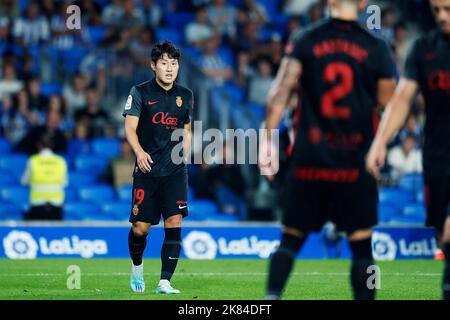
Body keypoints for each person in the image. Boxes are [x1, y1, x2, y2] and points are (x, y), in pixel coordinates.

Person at [260, 0, 396, 300]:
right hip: (356, 160)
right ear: (363, 3)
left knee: (290, 239)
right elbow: (388, 104)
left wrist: (266, 139)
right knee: (362, 246)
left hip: (310, 158)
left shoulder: (305, 39)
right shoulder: (377, 46)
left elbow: (278, 95)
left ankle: (270, 299)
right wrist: (380, 143)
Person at [366, 0, 450, 300]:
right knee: (443, 234)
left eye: (448, 10)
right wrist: (380, 141)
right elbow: (401, 100)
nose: (441, 17)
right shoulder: (423, 50)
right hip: (438, 152)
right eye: (437, 10)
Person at [123, 40, 193, 294]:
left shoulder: (185, 95)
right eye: (164, 63)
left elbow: (186, 128)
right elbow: (130, 127)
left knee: (174, 221)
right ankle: (137, 266)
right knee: (140, 228)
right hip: (147, 169)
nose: (169, 68)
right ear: (153, 65)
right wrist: (139, 152)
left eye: (174, 63)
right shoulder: (140, 92)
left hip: (175, 170)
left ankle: (165, 281)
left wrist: (186, 148)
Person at [21, 133, 68, 220]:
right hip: (56, 205)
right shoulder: (61, 161)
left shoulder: (33, 160)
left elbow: (24, 181)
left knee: (37, 232)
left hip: (37, 204)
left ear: (39, 145)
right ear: (53, 145)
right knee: (56, 233)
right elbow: (65, 183)